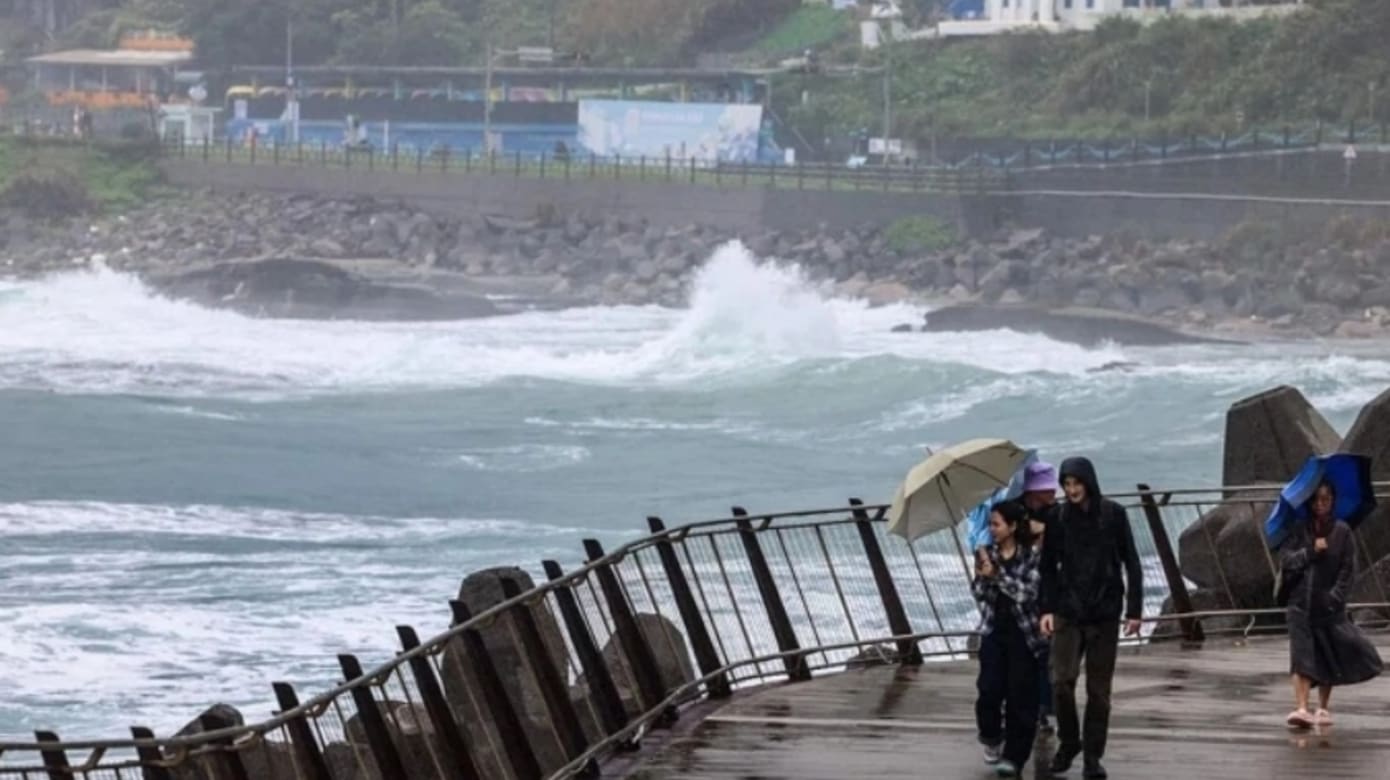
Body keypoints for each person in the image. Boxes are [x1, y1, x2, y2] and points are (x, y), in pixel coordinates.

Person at [1039, 457, 1142, 779]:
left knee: (1099, 692)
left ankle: (1092, 757)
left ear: (1089, 482)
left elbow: (1132, 562)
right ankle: (1070, 742)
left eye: (1076, 484)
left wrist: (1135, 610)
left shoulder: (1113, 514)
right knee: (1060, 682)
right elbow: (1046, 567)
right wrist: (1046, 609)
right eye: (1066, 485)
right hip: (1068, 612)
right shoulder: (1057, 518)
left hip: (1105, 613)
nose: (1071, 490)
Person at [1280, 480, 1383, 729]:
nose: (1321, 504)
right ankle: (1302, 707)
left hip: (1328, 607)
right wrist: (1310, 551)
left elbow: (1348, 569)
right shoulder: (1298, 530)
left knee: (1328, 653)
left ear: (1333, 501)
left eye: (1326, 499)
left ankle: (1323, 707)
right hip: (1299, 603)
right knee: (1301, 656)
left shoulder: (1342, 531)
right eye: (1316, 500)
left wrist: (1335, 597)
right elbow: (1287, 562)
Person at [973, 500, 1047, 778]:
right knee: (988, 690)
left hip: (1024, 634)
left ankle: (1014, 757)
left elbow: (1027, 593)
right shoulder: (986, 553)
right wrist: (983, 575)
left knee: (1021, 698)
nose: (992, 529)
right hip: (994, 630)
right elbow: (979, 594)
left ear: (1013, 526)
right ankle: (991, 736)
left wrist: (998, 575)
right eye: (990, 524)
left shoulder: (1031, 555)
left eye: (996, 524)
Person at [1022, 460, 1060, 734]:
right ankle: (1037, 707)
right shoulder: (1016, 516)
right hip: (1024, 589)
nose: (1053, 494)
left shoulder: (1055, 515)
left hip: (1048, 587)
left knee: (1047, 649)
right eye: (1046, 490)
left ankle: (1045, 707)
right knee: (1032, 650)